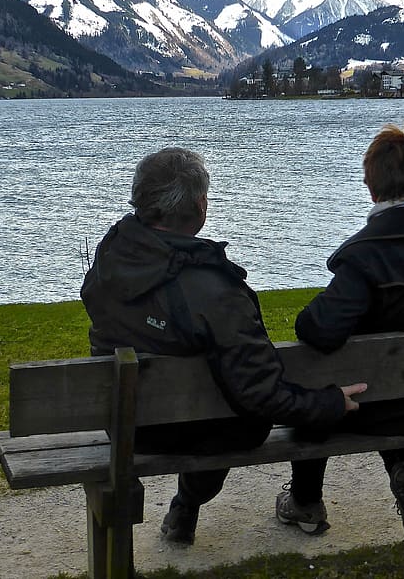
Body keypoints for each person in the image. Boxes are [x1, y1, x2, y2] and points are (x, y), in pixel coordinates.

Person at [80, 146, 367, 546]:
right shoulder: (215, 292)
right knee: (230, 413)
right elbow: (260, 395)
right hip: (204, 427)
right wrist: (329, 405)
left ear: (141, 201)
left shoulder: (111, 257)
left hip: (130, 426)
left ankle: (185, 508)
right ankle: (190, 502)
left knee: (212, 402)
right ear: (200, 207)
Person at [275, 123, 404, 545]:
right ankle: (402, 470)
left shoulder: (365, 255)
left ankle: (305, 502)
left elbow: (317, 330)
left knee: (321, 391)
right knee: (393, 377)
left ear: (372, 188)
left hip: (377, 404)